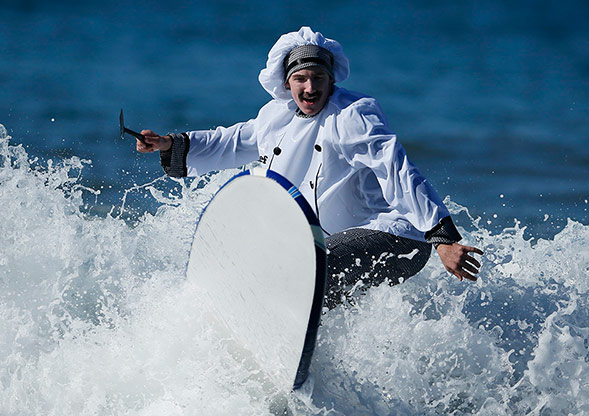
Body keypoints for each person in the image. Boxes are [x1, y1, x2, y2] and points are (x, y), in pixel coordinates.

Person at [136, 27, 483, 387]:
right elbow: (231, 141)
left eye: (318, 78)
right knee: (284, 281)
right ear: (286, 84)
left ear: (331, 80)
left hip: (395, 236)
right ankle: (317, 386)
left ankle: (285, 370)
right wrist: (170, 144)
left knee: (300, 277)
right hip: (329, 243)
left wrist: (441, 236)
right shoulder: (276, 118)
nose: (310, 88)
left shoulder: (353, 114)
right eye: (300, 78)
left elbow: (396, 168)